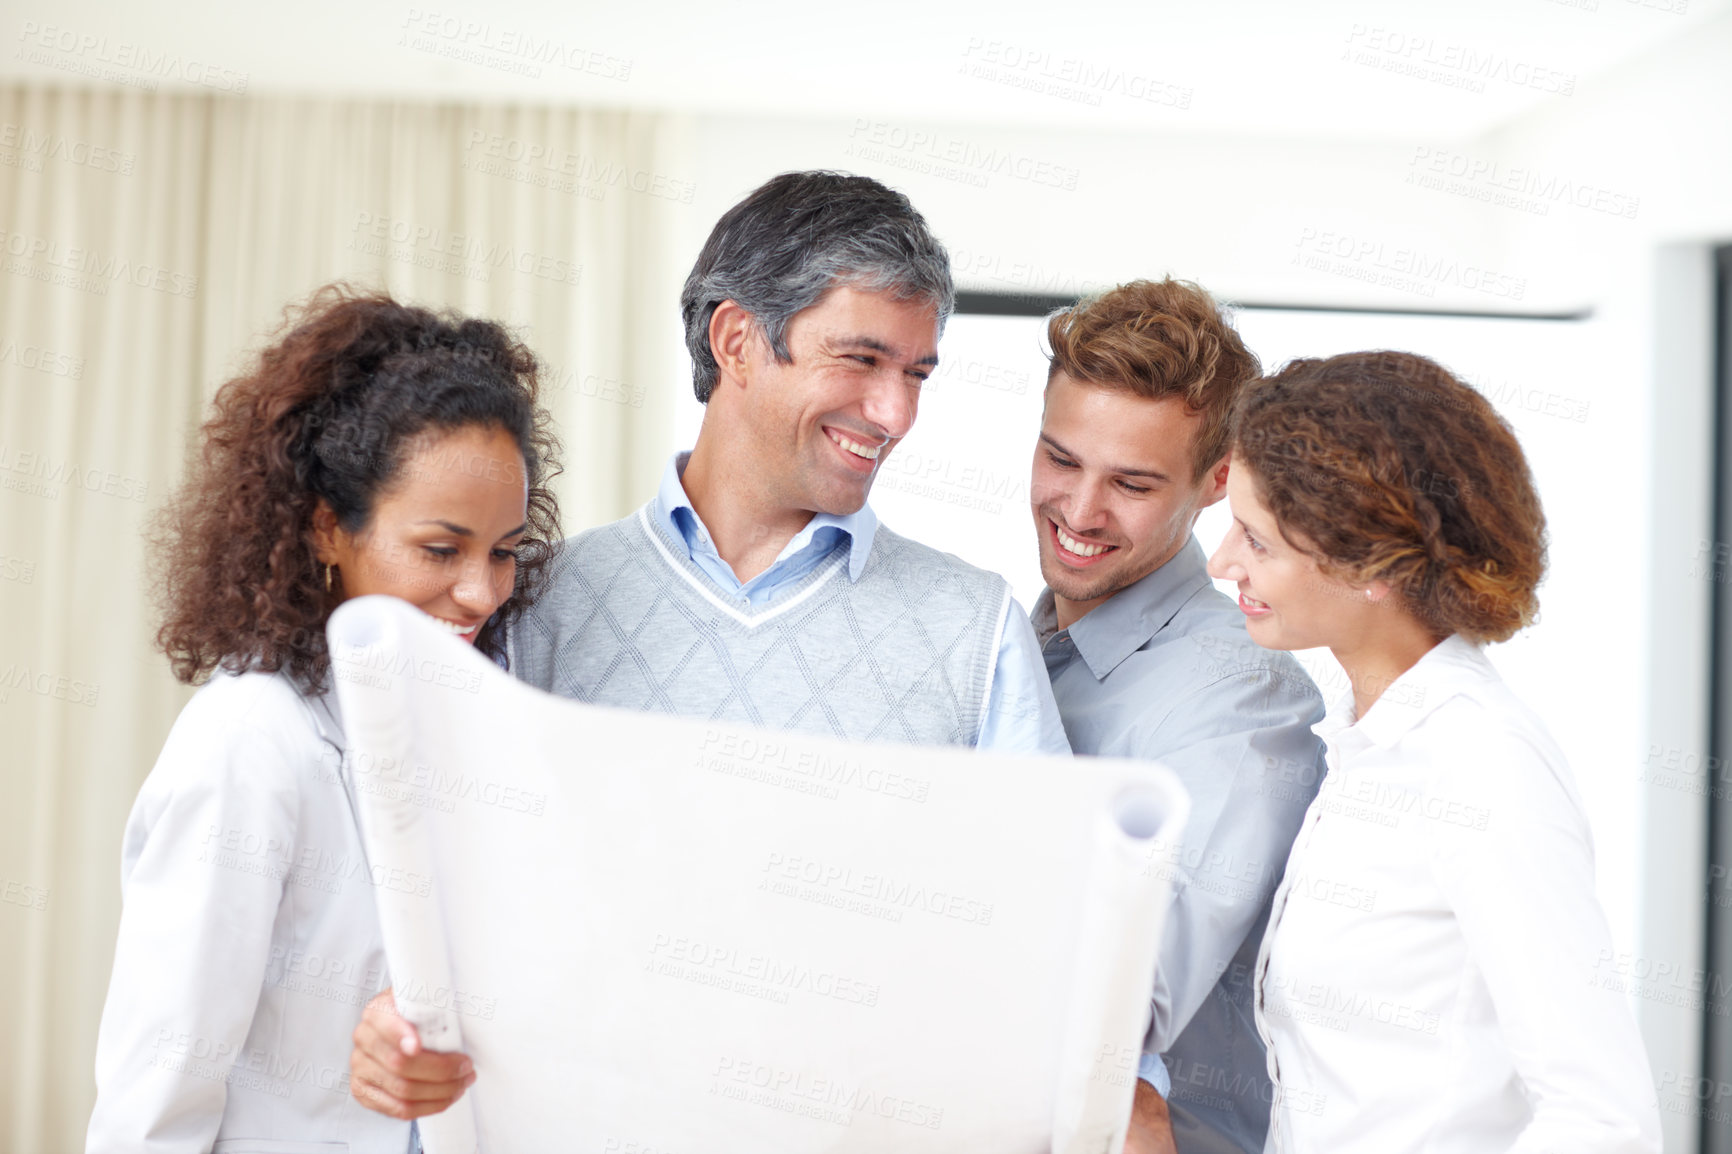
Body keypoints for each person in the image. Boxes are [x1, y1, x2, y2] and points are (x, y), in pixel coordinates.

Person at [347, 170, 1072, 1117]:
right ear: (736, 340)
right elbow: (448, 913)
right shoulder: (536, 608)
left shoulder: (974, 628)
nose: (895, 414)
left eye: (916, 375)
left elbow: (1042, 943)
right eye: (861, 360)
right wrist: (390, 1030)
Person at [85, 287, 562, 1154]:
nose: (484, 592)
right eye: (441, 549)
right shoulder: (251, 741)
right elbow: (157, 1091)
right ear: (324, 531)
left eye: (504, 551)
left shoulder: (458, 723)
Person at [1206, 350, 1662, 1152]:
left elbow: (1604, 1121)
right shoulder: (1367, 747)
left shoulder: (1482, 765)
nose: (1221, 563)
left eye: (1257, 540)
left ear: (1368, 565)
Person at [1027, 280, 1324, 1154]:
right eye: (1061, 459)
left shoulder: (1239, 699)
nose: (1081, 512)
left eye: (1133, 483)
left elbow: (1124, 1008)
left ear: (1218, 480)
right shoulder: (1015, 647)